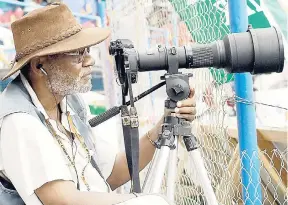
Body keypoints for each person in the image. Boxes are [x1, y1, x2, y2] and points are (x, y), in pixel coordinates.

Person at [0, 3, 197, 205]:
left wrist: (163, 125)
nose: (90, 60)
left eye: (87, 50)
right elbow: (63, 201)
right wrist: (142, 200)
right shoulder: (19, 121)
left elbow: (112, 171)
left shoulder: (68, 103)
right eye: (78, 54)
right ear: (39, 65)